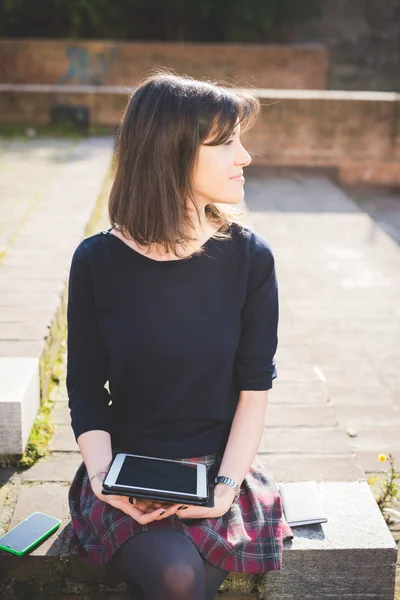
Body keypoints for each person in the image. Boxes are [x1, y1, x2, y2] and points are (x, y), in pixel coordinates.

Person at [66, 70, 294, 600]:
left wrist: (222, 491)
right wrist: (104, 481)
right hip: (124, 474)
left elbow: (254, 389)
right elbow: (84, 388)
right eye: (228, 143)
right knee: (175, 576)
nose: (246, 158)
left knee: (178, 577)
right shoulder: (96, 261)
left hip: (219, 474)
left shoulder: (249, 258)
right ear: (172, 152)